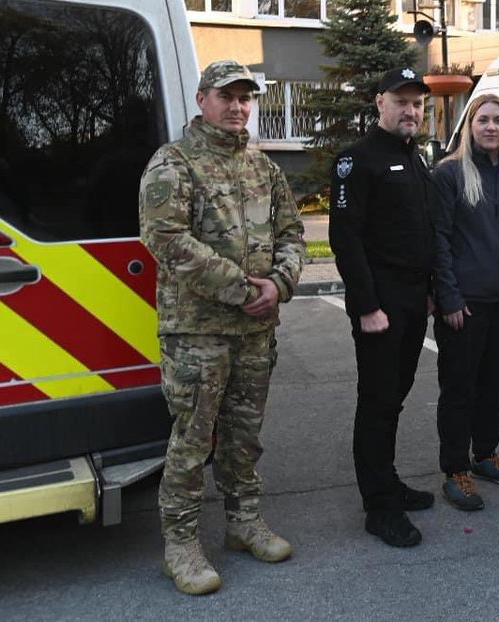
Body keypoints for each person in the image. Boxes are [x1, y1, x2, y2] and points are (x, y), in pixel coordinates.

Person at [139, 59, 305, 595]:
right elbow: (166, 240)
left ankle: (244, 521)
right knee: (192, 439)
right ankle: (181, 545)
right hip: (197, 333)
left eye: (245, 98)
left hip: (256, 331)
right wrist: (243, 289)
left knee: (242, 437)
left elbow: (293, 233)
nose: (238, 107)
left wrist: (279, 282)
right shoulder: (174, 163)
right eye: (227, 96)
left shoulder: (263, 167)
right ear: (201, 98)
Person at [329, 67, 437, 548]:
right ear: (379, 103)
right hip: (382, 306)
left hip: (413, 301)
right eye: (401, 101)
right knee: (376, 402)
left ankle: (387, 480)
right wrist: (367, 306)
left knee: (394, 396)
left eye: (417, 103)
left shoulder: (414, 158)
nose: (410, 110)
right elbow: (345, 239)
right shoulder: (358, 160)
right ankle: (379, 506)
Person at [432, 94, 499, 511]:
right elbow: (438, 241)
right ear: (470, 126)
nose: (491, 127)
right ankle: (455, 468)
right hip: (465, 306)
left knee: (494, 384)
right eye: (483, 120)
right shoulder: (449, 175)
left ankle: (484, 454)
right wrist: (449, 298)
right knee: (459, 389)